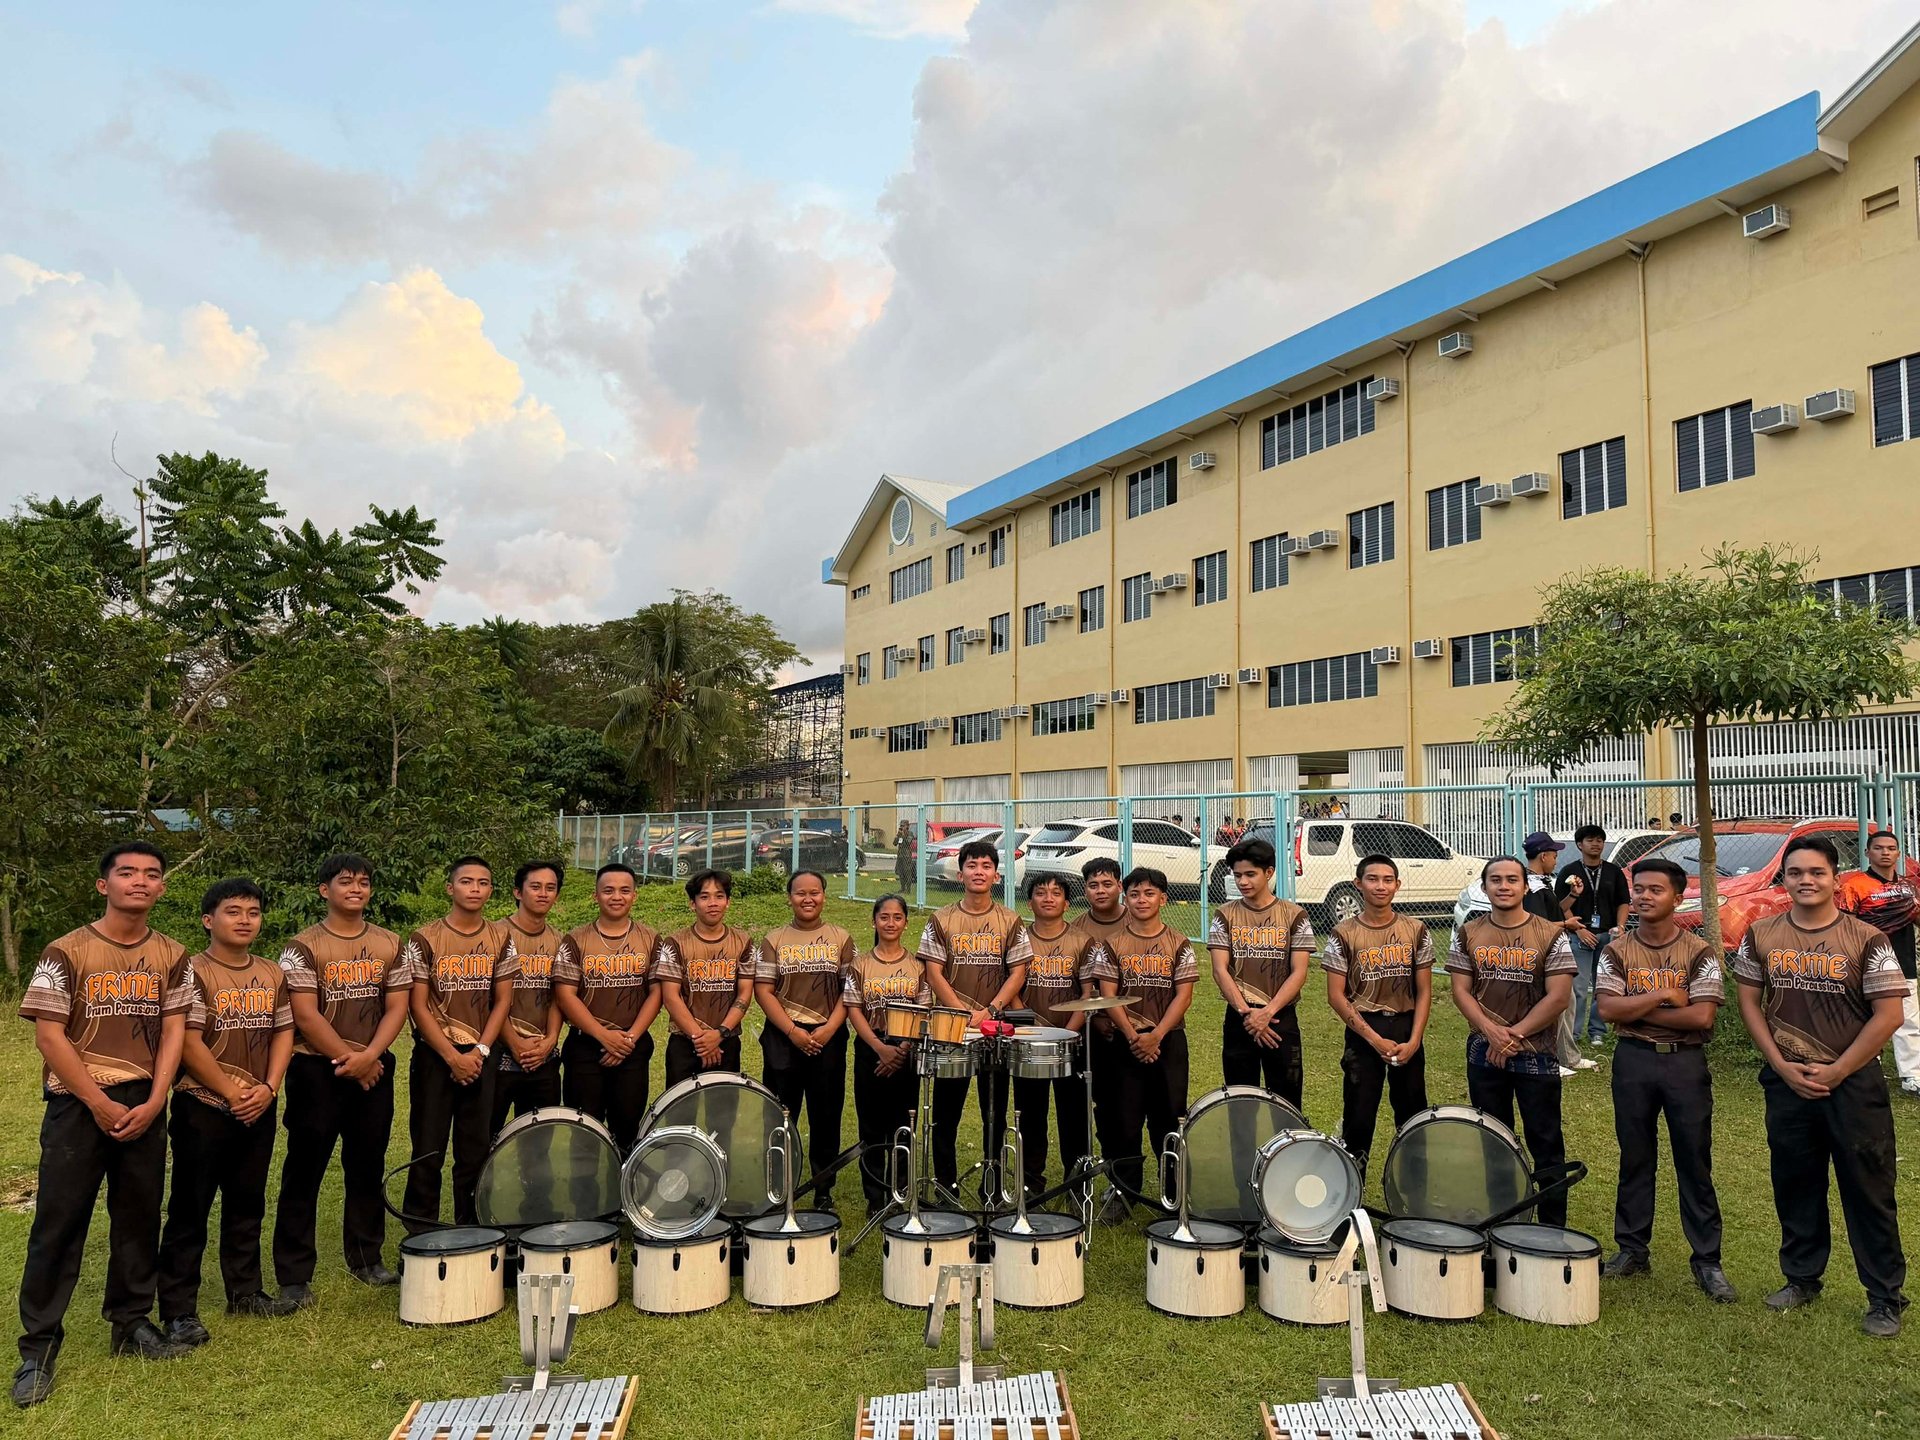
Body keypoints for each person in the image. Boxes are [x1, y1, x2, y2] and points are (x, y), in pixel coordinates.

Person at [14, 842, 191, 1407]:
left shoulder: (173, 954)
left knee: (138, 1215)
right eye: (127, 873)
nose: (140, 882)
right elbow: (49, 1035)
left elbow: (174, 1031)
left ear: (162, 887)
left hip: (145, 1099)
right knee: (59, 1224)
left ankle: (131, 1322)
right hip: (78, 1102)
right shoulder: (66, 951)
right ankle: (38, 1348)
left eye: (152, 874)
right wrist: (98, 1102)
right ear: (103, 885)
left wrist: (158, 1096)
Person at [1732, 835, 1908, 1337]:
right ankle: (1802, 1278)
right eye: (1795, 873)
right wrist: (1781, 1066)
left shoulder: (1865, 938)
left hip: (1851, 1084)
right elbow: (1749, 1002)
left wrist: (1838, 1070)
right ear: (1782, 879)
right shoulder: (1761, 933)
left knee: (1868, 1188)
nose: (1806, 881)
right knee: (1795, 1182)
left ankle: (1884, 1296)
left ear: (1835, 878)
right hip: (1787, 1081)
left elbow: (1889, 1014)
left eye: (1816, 872)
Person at [157, 879, 299, 1347]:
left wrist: (269, 1087)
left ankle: (245, 1289)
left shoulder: (271, 972)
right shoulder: (190, 971)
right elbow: (186, 1041)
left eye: (253, 912)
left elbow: (283, 1032)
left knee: (247, 1200)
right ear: (208, 919)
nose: (244, 920)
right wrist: (229, 1091)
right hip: (204, 1104)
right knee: (190, 1207)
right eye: (233, 911)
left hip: (257, 1105)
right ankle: (179, 1309)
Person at [1593, 857, 1733, 1302]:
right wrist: (1665, 995)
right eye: (1640, 889)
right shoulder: (1617, 950)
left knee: (1694, 1159)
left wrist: (1637, 1005)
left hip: (1684, 1064)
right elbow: (1606, 1010)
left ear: (1677, 896)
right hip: (1633, 1061)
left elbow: (1701, 1014)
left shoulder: (1700, 952)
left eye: (1656, 890)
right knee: (1635, 1156)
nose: (1644, 896)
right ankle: (1633, 1250)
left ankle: (1707, 1261)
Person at [272, 854, 410, 1306]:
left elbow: (397, 1006)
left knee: (367, 1163)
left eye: (364, 882)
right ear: (323, 890)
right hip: (317, 1069)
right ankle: (294, 1274)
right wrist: (348, 1058)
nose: (356, 889)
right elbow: (304, 1014)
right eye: (345, 881)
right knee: (305, 1168)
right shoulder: (302, 946)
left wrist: (370, 1056)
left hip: (374, 1068)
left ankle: (367, 1257)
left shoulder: (391, 943)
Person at [1447, 855, 1576, 1226]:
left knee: (1546, 1142)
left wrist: (1513, 1035)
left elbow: (1558, 997)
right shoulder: (1469, 933)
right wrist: (1491, 1033)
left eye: (1511, 880)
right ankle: (1503, 1222)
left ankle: (1552, 1228)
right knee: (1494, 1142)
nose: (1503, 886)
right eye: (1496, 880)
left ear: (1526, 886)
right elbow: (1460, 990)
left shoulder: (1550, 934)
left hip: (1536, 1054)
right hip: (1484, 1053)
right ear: (1484, 887)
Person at [401, 857, 514, 1233]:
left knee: (474, 1148)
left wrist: (480, 1051)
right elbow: (417, 1004)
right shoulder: (425, 938)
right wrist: (452, 1055)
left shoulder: (501, 937)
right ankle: (421, 1229)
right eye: (467, 882)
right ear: (450, 888)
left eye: (483, 883)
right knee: (428, 1148)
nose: (475, 889)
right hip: (437, 1056)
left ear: (491, 890)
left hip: (482, 1055)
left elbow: (503, 1001)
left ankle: (472, 1226)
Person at [919, 839, 1031, 1201]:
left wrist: (991, 1010)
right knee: (946, 1113)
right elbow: (933, 971)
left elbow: (1018, 971)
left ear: (996, 875)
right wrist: (960, 1011)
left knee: (994, 1112)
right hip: (953, 1028)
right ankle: (945, 1187)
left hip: (994, 1027)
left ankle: (993, 1187)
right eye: (971, 865)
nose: (978, 871)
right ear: (960, 871)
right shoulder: (941, 918)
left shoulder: (1010, 920)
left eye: (986, 865)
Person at [1086, 868, 1197, 1213]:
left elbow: (1184, 995)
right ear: (1126, 898)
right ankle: (1124, 1193)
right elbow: (1108, 993)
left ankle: (1171, 1195)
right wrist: (1134, 1035)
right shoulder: (1112, 945)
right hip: (1126, 1041)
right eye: (1134, 894)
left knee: (1169, 1117)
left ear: (1163, 898)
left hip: (1168, 1041)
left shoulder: (1179, 942)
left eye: (1149, 893)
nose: (1141, 900)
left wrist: (1157, 1035)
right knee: (1125, 1120)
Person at [1321, 855, 1432, 1178]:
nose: (1380, 886)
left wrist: (1414, 1040)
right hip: (1365, 1031)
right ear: (1358, 884)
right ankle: (1351, 1193)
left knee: (1412, 1114)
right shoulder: (1344, 933)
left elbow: (1424, 991)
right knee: (1358, 1115)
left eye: (1387, 880)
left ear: (1397, 885)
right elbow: (1336, 995)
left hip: (1406, 1028)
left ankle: (1413, 1193)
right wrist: (1373, 1039)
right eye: (1372, 879)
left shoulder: (1415, 930)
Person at [754, 870, 855, 1210]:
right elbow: (764, 991)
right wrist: (793, 1032)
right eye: (800, 893)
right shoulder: (774, 939)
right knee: (782, 1114)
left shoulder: (841, 938)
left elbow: (849, 992)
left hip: (829, 1035)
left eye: (815, 892)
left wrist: (827, 1030)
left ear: (824, 895)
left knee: (826, 1114)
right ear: (789, 897)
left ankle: (823, 1187)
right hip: (785, 1037)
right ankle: (778, 1187)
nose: (807, 898)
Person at [554, 863, 661, 1156]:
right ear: (596, 896)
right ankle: (586, 1201)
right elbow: (565, 995)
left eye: (625, 890)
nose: (617, 896)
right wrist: (603, 1036)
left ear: (635, 896)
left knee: (626, 1132)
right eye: (608, 890)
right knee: (584, 1133)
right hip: (585, 1048)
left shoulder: (651, 939)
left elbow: (657, 993)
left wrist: (628, 1039)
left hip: (632, 1046)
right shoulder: (575, 939)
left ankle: (620, 1200)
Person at [1206, 837, 1313, 1105]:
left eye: (1250, 874)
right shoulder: (1224, 914)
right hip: (1239, 1017)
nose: (1243, 882)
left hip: (1280, 1018)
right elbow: (1220, 970)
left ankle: (1286, 1149)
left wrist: (1267, 1013)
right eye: (1238, 875)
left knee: (1287, 1102)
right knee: (1240, 1103)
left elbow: (1299, 972)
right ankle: (1243, 1150)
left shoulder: (1294, 915)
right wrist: (1247, 1013)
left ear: (1269, 872)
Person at [842, 894, 931, 1212]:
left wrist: (902, 1048)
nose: (890, 923)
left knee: (902, 1124)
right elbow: (853, 1009)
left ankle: (900, 1191)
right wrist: (880, 1048)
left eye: (897, 917)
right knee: (871, 1124)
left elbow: (923, 1010)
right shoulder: (860, 964)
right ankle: (875, 1195)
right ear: (874, 921)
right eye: (884, 916)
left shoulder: (917, 966)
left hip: (907, 1052)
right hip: (871, 1050)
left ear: (906, 922)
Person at [1015, 874, 1091, 1201]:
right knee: (1030, 1115)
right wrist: (1033, 1030)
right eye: (1040, 893)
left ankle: (1075, 1186)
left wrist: (1065, 1033)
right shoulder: (1017, 939)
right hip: (1029, 1042)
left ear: (1067, 903)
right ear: (1029, 901)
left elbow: (1089, 994)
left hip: (1070, 1042)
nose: (1048, 898)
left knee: (1073, 1116)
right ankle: (1032, 1184)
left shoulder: (1082, 941)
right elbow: (1013, 989)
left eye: (1056, 893)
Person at [1072, 857, 1133, 1224]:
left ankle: (1128, 1181)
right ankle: (1101, 1175)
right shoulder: (1077, 928)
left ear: (1119, 886)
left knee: (1128, 1107)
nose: (1101, 891)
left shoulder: (1136, 920)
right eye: (1094, 885)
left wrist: (1118, 1019)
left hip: (1132, 1026)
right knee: (1100, 1106)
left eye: (1107, 884)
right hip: (1092, 1029)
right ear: (1085, 891)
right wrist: (1097, 1021)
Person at [1837, 830, 1920, 1097]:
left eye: (1891, 848)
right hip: (1867, 962)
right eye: (1879, 848)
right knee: (1866, 1017)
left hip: (1903, 962)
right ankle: (1868, 1067)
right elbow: (1844, 926)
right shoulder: (1854, 886)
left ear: (1898, 853)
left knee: (1909, 1019)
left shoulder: (1909, 886)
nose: (1885, 852)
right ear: (1867, 853)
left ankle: (1912, 1076)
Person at [655, 869, 755, 1088]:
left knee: (721, 1114)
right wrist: (700, 1039)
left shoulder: (743, 942)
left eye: (719, 896)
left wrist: (719, 1034)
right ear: (692, 903)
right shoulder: (675, 942)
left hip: (726, 1041)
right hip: (684, 1041)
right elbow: (670, 996)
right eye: (704, 896)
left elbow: (745, 992)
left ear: (728, 902)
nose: (713, 903)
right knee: (679, 1112)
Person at [491, 861, 567, 1134]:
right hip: (498, 1054)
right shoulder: (494, 936)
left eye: (550, 888)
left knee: (538, 1140)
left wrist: (550, 1040)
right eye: (535, 887)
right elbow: (489, 999)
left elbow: (560, 997)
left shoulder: (561, 941)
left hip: (543, 1056)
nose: (543, 894)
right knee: (486, 1138)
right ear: (518, 892)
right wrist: (514, 1043)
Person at [1557, 825, 1631, 1048]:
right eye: (1590, 840)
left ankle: (1598, 1031)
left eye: (1600, 840)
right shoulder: (1568, 872)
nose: (1596, 844)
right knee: (1578, 988)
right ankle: (1575, 1032)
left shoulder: (1613, 871)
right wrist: (1578, 929)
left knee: (1604, 985)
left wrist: (1620, 927)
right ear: (1580, 844)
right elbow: (1560, 906)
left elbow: (1623, 902)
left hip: (1608, 935)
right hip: (1580, 935)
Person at [893, 821, 918, 892]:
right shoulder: (899, 834)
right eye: (901, 825)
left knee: (907, 872)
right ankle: (902, 888)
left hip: (906, 856)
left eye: (903, 826)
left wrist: (903, 835)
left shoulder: (910, 834)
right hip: (900, 855)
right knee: (900, 872)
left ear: (907, 826)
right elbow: (894, 843)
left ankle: (908, 889)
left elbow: (907, 843)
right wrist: (897, 836)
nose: (901, 827)